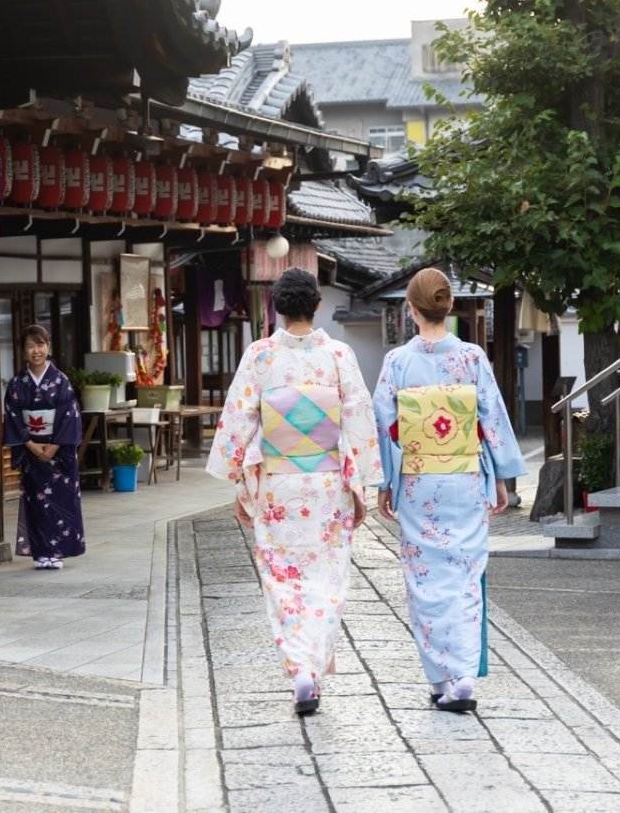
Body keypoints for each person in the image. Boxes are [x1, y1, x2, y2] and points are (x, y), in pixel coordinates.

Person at [206, 267, 382, 714]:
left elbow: (240, 422)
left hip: (278, 483)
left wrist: (239, 483)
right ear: (317, 306)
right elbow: (359, 418)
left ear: (277, 309)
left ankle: (300, 669)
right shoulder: (339, 355)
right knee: (327, 577)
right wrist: (364, 477)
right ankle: (312, 668)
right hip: (327, 482)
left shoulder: (261, 356)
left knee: (282, 577)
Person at [372, 268, 526, 712]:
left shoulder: (398, 363)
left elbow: (384, 427)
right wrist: (499, 479)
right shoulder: (472, 357)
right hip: (465, 477)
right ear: (449, 306)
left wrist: (385, 481)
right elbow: (492, 421)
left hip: (420, 480)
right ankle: (461, 678)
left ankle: (441, 678)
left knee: (425, 579)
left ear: (410, 310)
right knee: (464, 574)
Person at [3, 324, 85, 569]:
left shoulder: (61, 382)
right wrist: (31, 445)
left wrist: (52, 447)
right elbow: (13, 416)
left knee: (61, 501)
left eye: (40, 345)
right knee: (35, 502)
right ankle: (41, 553)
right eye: (30, 346)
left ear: (48, 347)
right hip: (31, 453)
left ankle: (57, 552)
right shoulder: (17, 384)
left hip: (58, 453)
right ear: (23, 351)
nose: (35, 350)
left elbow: (69, 416)